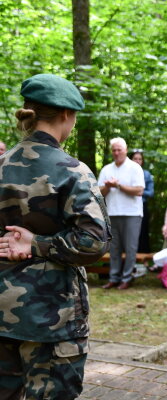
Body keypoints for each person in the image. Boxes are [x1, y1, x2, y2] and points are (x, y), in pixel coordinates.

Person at [0, 74, 110, 399]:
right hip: (52, 319)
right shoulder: (72, 171)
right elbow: (93, 243)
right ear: (66, 115)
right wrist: (36, 243)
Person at [98, 137, 145, 290]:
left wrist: (117, 185)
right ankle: (114, 278)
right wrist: (108, 186)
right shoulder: (106, 169)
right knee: (114, 249)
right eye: (114, 150)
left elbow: (139, 190)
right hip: (112, 213)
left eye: (119, 150)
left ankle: (127, 278)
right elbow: (99, 193)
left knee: (130, 248)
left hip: (132, 214)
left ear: (125, 150)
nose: (117, 153)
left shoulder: (135, 168)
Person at [131, 150, 154, 254]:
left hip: (142, 206)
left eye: (140, 159)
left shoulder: (146, 174)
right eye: (135, 159)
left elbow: (150, 193)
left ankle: (143, 259)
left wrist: (137, 191)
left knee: (143, 232)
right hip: (127, 206)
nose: (137, 161)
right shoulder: (125, 173)